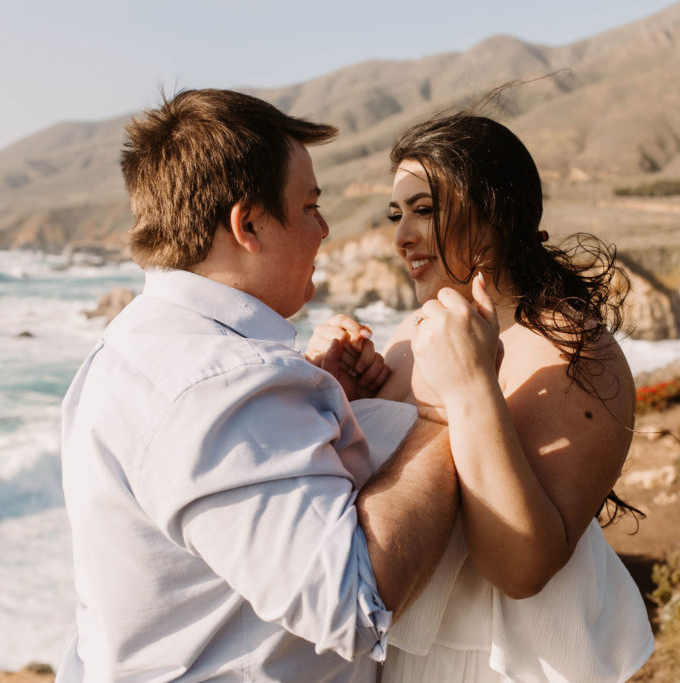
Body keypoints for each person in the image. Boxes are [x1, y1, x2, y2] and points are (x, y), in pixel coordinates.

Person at [57, 88, 465, 682]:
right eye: (308, 207)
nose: (324, 229)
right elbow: (353, 604)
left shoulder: (127, 346)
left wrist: (315, 403)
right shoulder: (225, 385)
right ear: (247, 224)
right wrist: (443, 408)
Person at [306, 113, 654, 682]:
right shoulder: (408, 334)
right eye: (398, 215)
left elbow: (520, 570)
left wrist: (471, 389)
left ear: (497, 211)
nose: (402, 237)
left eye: (425, 210)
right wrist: (334, 394)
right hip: (389, 659)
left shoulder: (576, 355)